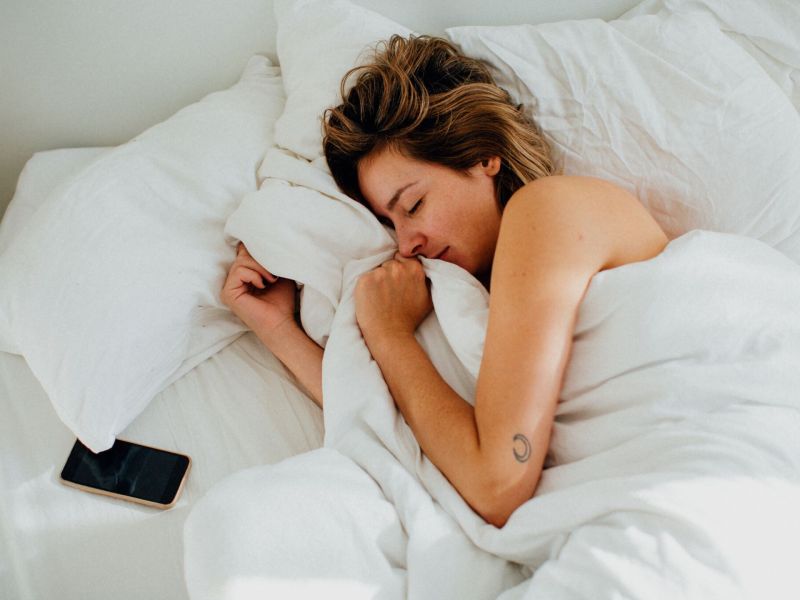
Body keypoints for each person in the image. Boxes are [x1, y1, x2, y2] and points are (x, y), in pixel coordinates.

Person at [221, 35, 668, 528]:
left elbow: (496, 486)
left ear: (483, 156)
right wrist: (278, 329)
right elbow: (403, 427)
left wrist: (391, 336)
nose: (406, 242)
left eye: (412, 205)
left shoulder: (548, 209)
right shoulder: (475, 297)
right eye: (390, 224)